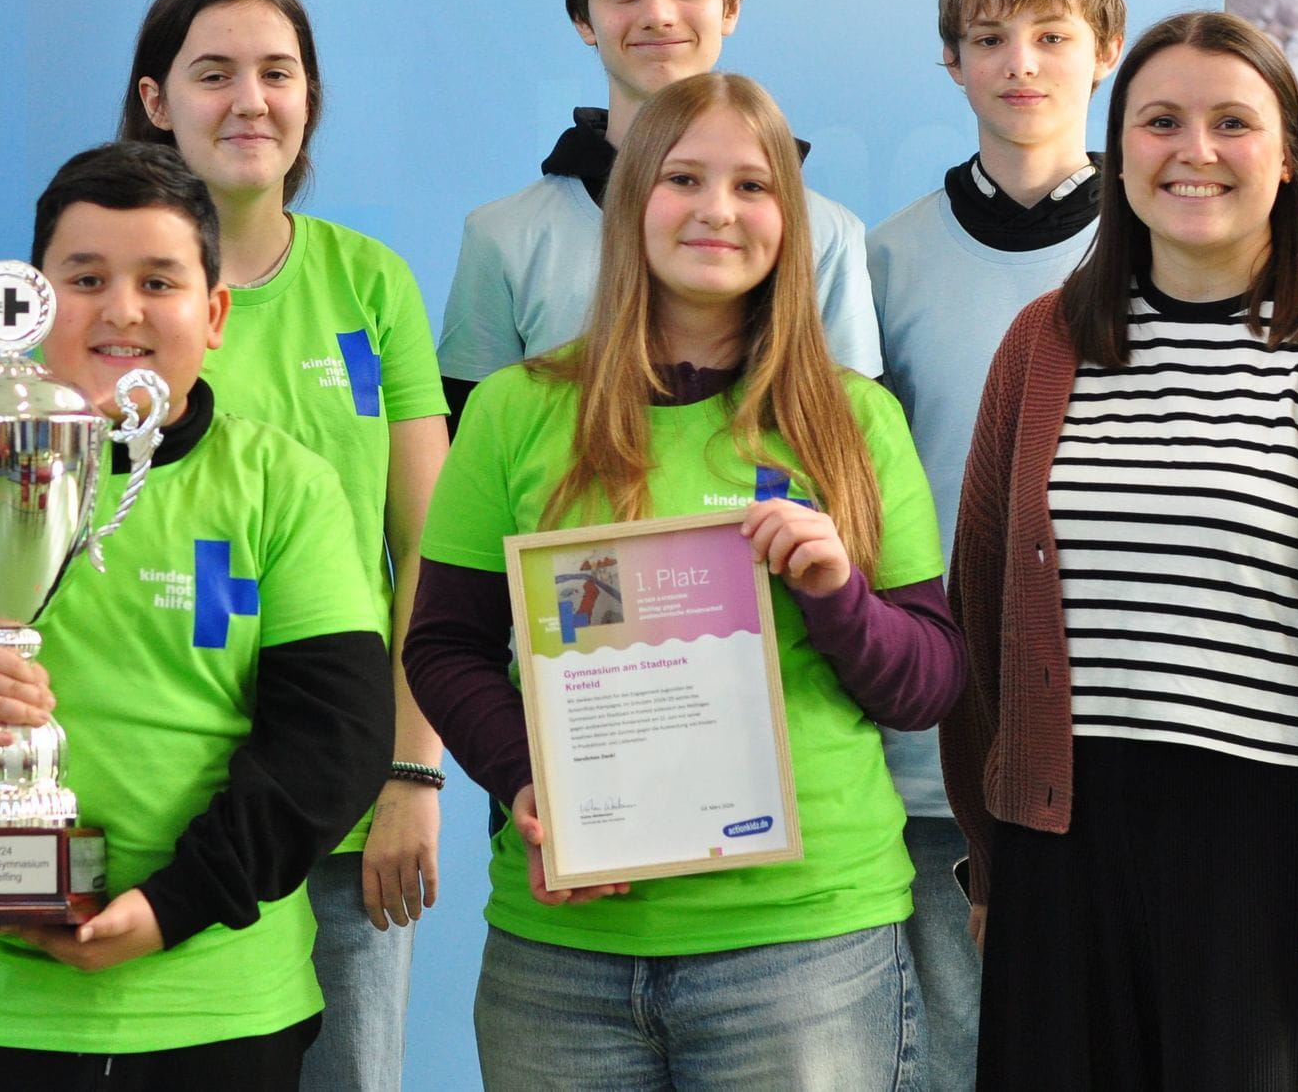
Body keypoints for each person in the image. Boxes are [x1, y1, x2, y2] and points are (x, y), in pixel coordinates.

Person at [940, 11, 1298, 1090]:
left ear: (1287, 158)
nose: (1194, 151)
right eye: (1160, 122)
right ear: (1119, 149)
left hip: (1283, 869)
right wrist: (997, 861)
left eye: (1232, 123)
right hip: (1065, 854)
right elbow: (985, 613)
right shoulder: (1043, 347)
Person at [0, 141, 391, 1087]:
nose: (122, 309)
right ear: (30, 303)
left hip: (215, 1009)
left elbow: (336, 743)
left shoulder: (284, 485)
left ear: (215, 311)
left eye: (160, 280)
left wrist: (174, 904)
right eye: (85, 277)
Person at [406, 72, 965, 1091]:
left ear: (790, 224)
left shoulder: (856, 421)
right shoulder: (514, 409)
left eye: (753, 186)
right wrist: (531, 783)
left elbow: (927, 682)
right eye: (683, 179)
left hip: (807, 944)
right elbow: (443, 644)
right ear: (631, 205)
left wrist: (838, 596)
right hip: (562, 956)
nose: (717, 209)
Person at [116, 0, 450, 1092]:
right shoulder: (109, 298)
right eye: (213, 74)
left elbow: (430, 553)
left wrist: (415, 771)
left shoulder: (371, 285)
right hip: (162, 817)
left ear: (309, 97)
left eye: (277, 72)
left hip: (351, 816)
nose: (249, 100)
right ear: (157, 98)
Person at [865, 0, 1124, 1092]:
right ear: (952, 63)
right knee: (947, 1065)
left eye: (1052, 35)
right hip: (938, 758)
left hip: (1123, 741)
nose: (1022, 63)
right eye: (989, 37)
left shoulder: (1172, 250)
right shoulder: (882, 264)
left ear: (1105, 50)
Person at [437, 0, 882, 423]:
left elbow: (853, 442)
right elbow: (470, 452)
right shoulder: (504, 237)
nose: (658, 14)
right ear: (583, 20)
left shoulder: (827, 233)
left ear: (731, 8)